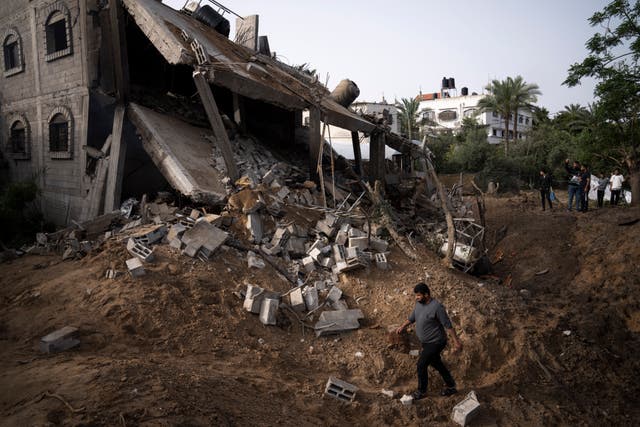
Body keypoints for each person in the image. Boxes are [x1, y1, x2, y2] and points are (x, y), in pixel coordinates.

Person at [396, 283, 462, 400]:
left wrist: (456, 342)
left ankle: (422, 391)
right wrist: (402, 326)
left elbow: (448, 325)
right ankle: (451, 386)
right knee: (436, 362)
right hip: (426, 343)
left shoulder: (437, 307)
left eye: (418, 295)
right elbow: (412, 317)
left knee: (421, 364)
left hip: (436, 342)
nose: (416, 298)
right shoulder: (418, 304)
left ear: (426, 295)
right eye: (416, 295)